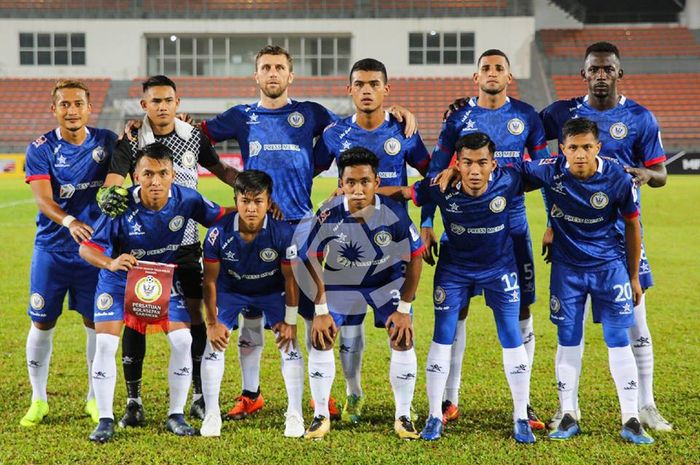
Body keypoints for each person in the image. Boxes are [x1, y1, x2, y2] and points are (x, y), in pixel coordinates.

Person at [199, 45, 417, 421]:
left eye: (279, 67)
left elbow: (356, 126)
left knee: (314, 310)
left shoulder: (311, 113)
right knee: (253, 309)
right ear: (256, 75)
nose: (272, 73)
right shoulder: (241, 116)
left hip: (302, 227)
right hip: (256, 225)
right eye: (265, 67)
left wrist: (395, 114)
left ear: (290, 75)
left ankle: (324, 396)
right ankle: (251, 393)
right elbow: (195, 138)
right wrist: (232, 179)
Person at [539, 41, 671, 432]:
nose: (601, 76)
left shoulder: (640, 117)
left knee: (636, 322)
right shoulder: (561, 113)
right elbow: (524, 132)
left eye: (608, 69)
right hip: (572, 236)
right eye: (593, 69)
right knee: (570, 326)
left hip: (622, 236)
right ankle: (569, 408)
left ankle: (645, 405)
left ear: (619, 73)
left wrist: (647, 175)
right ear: (583, 74)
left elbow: (661, 173)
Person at [98, 75, 239, 426]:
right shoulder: (131, 139)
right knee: (135, 318)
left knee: (193, 319)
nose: (162, 107)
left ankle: (197, 396)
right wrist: (109, 194)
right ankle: (134, 401)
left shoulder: (192, 135)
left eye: (168, 100)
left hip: (186, 243)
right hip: (142, 244)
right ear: (144, 105)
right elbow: (115, 178)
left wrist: (249, 188)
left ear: (178, 103)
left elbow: (219, 168)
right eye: (155, 101)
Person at [421, 49, 549, 428]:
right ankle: (449, 398)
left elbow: (541, 169)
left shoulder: (526, 116)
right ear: (475, 77)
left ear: (510, 77)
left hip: (514, 228)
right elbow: (436, 169)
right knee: (454, 311)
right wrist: (427, 221)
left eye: (499, 68)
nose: (492, 73)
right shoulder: (458, 117)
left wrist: (553, 221)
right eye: (486, 68)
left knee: (522, 309)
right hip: (464, 225)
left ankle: (523, 405)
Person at [387, 132, 535, 443]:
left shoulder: (510, 179)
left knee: (511, 335)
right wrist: (356, 197)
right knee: (443, 336)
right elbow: (403, 192)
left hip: (499, 269)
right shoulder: (441, 186)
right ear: (458, 164)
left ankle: (520, 416)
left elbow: (558, 170)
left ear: (494, 164)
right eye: (467, 163)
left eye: (483, 163)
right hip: (454, 270)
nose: (475, 171)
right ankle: (433, 416)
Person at [79, 142, 232, 443]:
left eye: (163, 173)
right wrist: (110, 262)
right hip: (119, 279)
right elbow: (87, 248)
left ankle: (176, 414)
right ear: (136, 176)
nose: (156, 181)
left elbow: (222, 217)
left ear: (174, 174)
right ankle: (106, 419)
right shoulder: (120, 204)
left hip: (161, 279)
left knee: (182, 339)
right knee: (106, 345)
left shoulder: (187, 199)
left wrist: (255, 207)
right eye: (148, 173)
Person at [311, 57, 430, 423]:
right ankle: (353, 392)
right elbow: (307, 171)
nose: (367, 90)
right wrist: (324, 205)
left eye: (374, 84)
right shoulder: (334, 134)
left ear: (386, 90)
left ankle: (402, 411)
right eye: (360, 84)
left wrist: (423, 220)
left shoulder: (403, 130)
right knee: (348, 330)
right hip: (347, 246)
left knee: (399, 329)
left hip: (392, 249)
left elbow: (433, 181)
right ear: (350, 90)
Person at [522, 118, 653, 444]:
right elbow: (507, 171)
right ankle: (568, 414)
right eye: (572, 148)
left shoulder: (618, 178)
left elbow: (633, 226)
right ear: (562, 149)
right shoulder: (550, 170)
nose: (579, 154)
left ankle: (631, 418)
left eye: (586, 147)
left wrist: (634, 275)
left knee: (617, 338)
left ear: (598, 147)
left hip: (610, 268)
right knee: (568, 338)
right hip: (567, 270)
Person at [300, 148, 424, 440]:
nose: (358, 189)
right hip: (342, 281)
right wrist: (320, 311)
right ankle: (320, 416)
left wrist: (404, 308)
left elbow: (416, 256)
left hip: (385, 280)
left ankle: (403, 415)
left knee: (403, 336)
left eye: (365, 182)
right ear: (341, 184)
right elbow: (312, 257)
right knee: (322, 337)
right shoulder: (328, 212)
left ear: (377, 182)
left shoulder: (393, 212)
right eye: (351, 182)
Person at [21, 80, 117, 427]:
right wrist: (71, 220)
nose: (72, 110)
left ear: (90, 108)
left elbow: (133, 153)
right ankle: (38, 399)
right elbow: (44, 199)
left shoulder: (106, 141)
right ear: (54, 110)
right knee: (42, 322)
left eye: (78, 104)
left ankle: (93, 399)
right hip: (53, 249)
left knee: (96, 323)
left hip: (93, 250)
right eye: (64, 105)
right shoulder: (41, 148)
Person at [199, 170, 304, 438]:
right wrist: (211, 323)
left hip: (271, 291)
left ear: (269, 203)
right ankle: (211, 415)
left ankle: (295, 413)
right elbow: (209, 281)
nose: (251, 208)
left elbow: (291, 279)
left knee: (288, 341)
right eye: (245, 201)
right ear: (236, 200)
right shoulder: (217, 233)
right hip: (232, 290)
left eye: (258, 201)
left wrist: (290, 320)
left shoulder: (283, 232)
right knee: (215, 342)